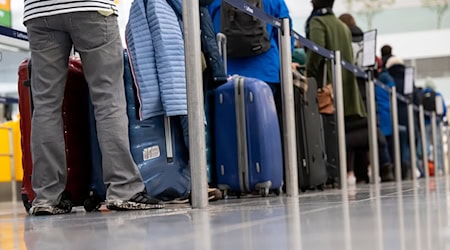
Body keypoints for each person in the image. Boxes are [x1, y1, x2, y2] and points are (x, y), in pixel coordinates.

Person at [24, 0, 164, 216]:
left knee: (45, 106)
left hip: (39, 12)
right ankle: (123, 189)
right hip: (91, 7)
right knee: (108, 101)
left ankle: (47, 197)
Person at [305, 0, 367, 185]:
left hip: (327, 86)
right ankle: (341, 172)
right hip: (345, 85)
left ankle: (333, 173)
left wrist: (311, 75)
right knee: (341, 129)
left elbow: (316, 50)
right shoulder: (342, 26)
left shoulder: (318, 23)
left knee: (328, 129)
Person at [208, 0, 292, 119]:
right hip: (265, 73)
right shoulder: (274, 2)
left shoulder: (214, 2)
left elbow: (208, 33)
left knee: (227, 127)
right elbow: (286, 37)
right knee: (264, 126)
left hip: (225, 75)